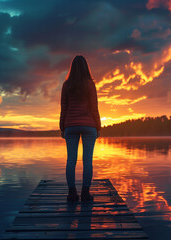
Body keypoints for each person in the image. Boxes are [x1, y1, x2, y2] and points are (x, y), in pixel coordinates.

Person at [60, 55, 101, 202]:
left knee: (71, 160)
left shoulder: (66, 85)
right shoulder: (90, 84)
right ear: (86, 67)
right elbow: (94, 107)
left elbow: (63, 107)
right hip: (89, 125)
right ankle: (85, 193)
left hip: (70, 125)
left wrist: (62, 127)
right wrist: (98, 125)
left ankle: (72, 194)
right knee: (87, 160)